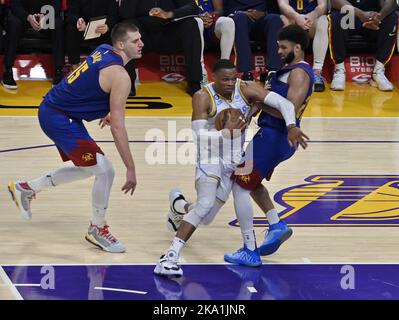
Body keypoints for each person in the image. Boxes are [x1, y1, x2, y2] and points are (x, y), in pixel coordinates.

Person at [154, 58, 307, 277]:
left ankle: (179, 206)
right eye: (224, 79)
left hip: (234, 159)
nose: (229, 83)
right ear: (213, 77)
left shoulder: (245, 88)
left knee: (205, 217)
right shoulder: (202, 97)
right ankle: (169, 256)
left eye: (232, 78)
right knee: (205, 204)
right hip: (210, 157)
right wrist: (225, 133)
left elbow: (285, 104)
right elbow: (198, 136)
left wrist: (291, 125)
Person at [7, 21, 143, 253]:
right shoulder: (120, 75)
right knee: (105, 169)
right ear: (121, 44)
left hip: (60, 111)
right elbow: (118, 129)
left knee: (91, 166)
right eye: (135, 41)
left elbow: (85, 81)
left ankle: (27, 188)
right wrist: (131, 168)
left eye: (140, 39)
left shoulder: (103, 50)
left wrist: (102, 110)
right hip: (58, 117)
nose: (141, 44)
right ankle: (97, 229)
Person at [225, 25, 314, 266]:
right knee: (252, 183)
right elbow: (265, 98)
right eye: (278, 46)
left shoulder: (300, 73)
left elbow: (290, 109)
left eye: (283, 47)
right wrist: (254, 105)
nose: (279, 50)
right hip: (270, 135)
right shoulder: (283, 71)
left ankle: (249, 250)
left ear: (297, 47)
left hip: (276, 137)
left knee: (240, 185)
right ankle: (276, 225)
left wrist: (259, 98)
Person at [119, 0, 203, 96]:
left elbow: (193, 7)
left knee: (190, 24)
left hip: (167, 32)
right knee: (125, 26)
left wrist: (169, 14)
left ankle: (194, 82)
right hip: (142, 35)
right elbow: (125, 14)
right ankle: (128, 83)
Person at [329, 0, 397, 91]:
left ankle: (378, 71)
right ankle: (339, 70)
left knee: (391, 16)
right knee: (337, 16)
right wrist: (360, 14)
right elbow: (335, 2)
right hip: (350, 16)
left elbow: (390, 2)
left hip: (373, 19)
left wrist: (379, 17)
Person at [1, 0, 65, 89]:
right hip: (25, 17)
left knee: (58, 23)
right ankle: (8, 71)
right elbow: (15, 5)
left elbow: (56, 5)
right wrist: (28, 17)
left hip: (46, 18)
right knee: (13, 21)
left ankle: (59, 70)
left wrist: (46, 16)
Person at [224, 0, 284, 81]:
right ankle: (246, 73)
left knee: (275, 19)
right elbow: (224, 9)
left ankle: (274, 72)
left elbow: (275, 7)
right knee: (240, 18)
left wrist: (264, 13)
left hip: (262, 19)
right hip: (238, 17)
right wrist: (239, 12)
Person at [277, 0, 328, 92]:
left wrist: (314, 14)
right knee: (282, 19)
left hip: (311, 20)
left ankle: (317, 71)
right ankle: (286, 69)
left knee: (323, 20)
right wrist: (297, 17)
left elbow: (323, 5)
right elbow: (282, 5)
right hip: (292, 18)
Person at [66, 0, 120, 71]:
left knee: (113, 31)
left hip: (102, 28)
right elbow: (71, 14)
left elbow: (114, 15)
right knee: (70, 29)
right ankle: (75, 67)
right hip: (83, 28)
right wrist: (78, 20)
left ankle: (108, 67)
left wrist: (108, 26)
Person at [195, 0, 235, 86]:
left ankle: (224, 70)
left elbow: (219, 10)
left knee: (228, 22)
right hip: (193, 24)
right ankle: (200, 72)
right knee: (197, 22)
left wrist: (211, 16)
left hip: (211, 23)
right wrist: (199, 17)